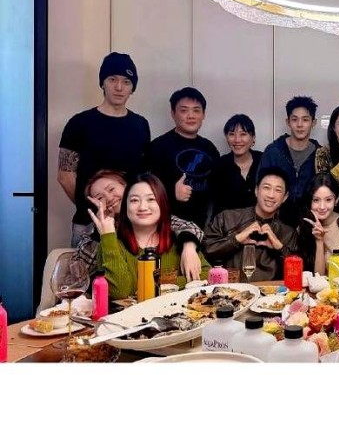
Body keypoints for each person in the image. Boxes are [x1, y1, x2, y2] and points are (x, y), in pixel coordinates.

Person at [58, 52, 150, 247]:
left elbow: (142, 174)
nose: (119, 87)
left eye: (126, 82)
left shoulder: (141, 125)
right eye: (112, 79)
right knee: (84, 268)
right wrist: (92, 206)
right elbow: (65, 176)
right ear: (102, 83)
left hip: (130, 222)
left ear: (132, 87)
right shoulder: (79, 123)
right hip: (88, 223)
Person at [74, 169, 207, 282]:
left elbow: (189, 227)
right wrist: (102, 233)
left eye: (111, 189)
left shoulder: (152, 218)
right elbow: (78, 276)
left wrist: (189, 247)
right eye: (99, 198)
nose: (108, 198)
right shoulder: (93, 237)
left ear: (126, 187)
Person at [89, 174, 183, 300]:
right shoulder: (109, 244)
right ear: (125, 207)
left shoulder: (179, 241)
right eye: (134, 200)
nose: (143, 207)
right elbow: (120, 293)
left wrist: (160, 281)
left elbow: (204, 275)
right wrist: (108, 236)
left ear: (162, 203)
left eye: (151, 199)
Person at [203, 167, 298, 281]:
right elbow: (206, 250)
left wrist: (279, 247)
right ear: (256, 190)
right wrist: (236, 239)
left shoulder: (288, 233)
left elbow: (297, 274)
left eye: (278, 190)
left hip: (270, 291)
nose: (271, 195)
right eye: (266, 187)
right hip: (230, 288)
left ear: (285, 197)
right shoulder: (227, 217)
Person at [148, 87, 220, 228]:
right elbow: (145, 187)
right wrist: (171, 192)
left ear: (203, 115)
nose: (191, 116)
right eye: (184, 110)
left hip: (200, 226)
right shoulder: (158, 146)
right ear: (173, 113)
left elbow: (217, 188)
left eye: (196, 110)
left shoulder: (209, 148)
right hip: (163, 224)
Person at [258, 96, 319, 224]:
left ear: (313, 123)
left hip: (310, 223)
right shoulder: (273, 151)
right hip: (275, 222)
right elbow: (261, 188)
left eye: (305, 120)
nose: (300, 125)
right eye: (294, 119)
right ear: (288, 122)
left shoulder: (320, 154)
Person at [297, 173, 339, 274]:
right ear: (310, 201)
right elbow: (318, 276)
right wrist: (319, 241)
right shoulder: (304, 226)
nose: (322, 207)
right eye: (316, 200)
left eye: (328, 200)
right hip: (318, 284)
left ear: (336, 200)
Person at [211, 114, 263, 215]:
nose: (237, 140)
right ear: (226, 138)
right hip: (227, 223)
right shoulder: (219, 165)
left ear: (253, 137)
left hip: (261, 222)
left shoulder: (264, 160)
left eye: (243, 134)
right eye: (231, 134)